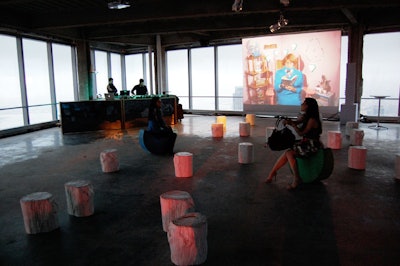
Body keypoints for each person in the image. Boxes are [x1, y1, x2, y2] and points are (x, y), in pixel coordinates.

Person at [265, 97, 323, 190]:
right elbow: (296, 122)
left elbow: (301, 133)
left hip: (312, 145)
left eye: (304, 103)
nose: (301, 104)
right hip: (307, 143)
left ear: (308, 106)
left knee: (288, 153)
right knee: (287, 153)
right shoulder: (306, 117)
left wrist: (292, 124)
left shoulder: (312, 120)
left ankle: (296, 178)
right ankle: (272, 173)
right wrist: (289, 122)